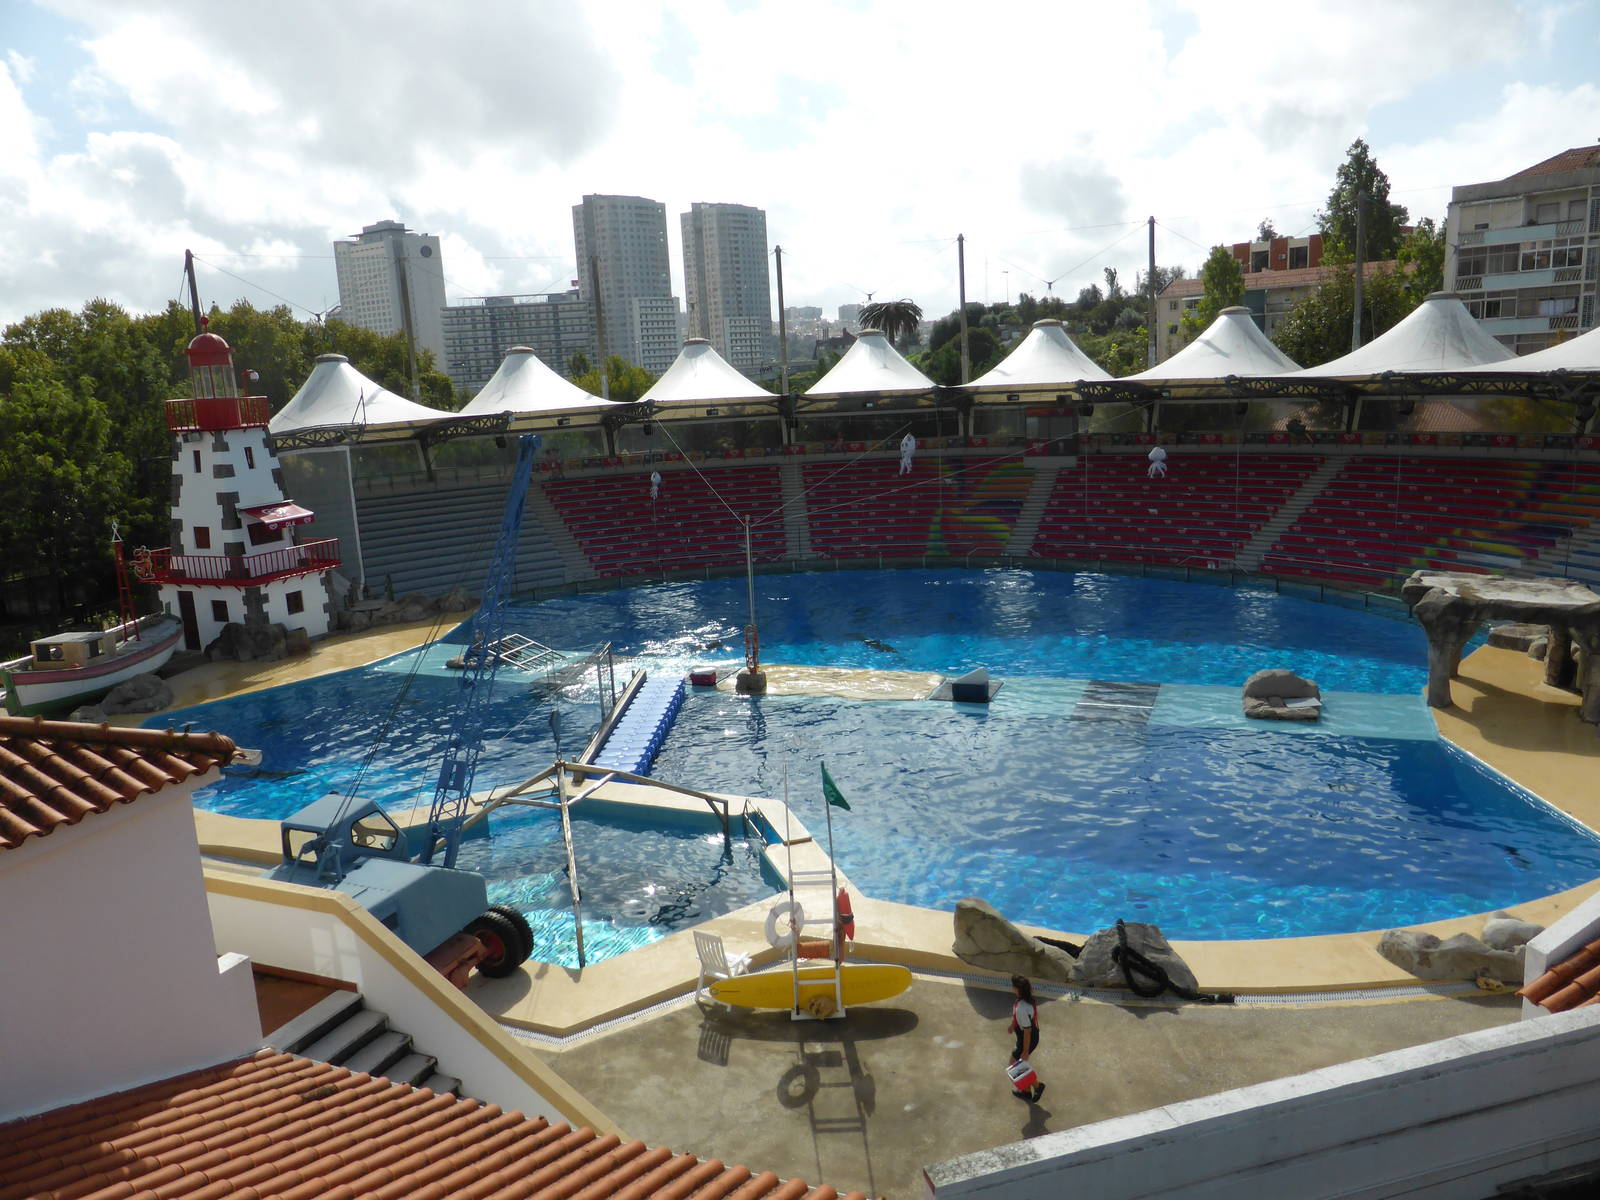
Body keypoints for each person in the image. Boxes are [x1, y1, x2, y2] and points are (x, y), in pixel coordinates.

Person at [1008, 973, 1045, 1102]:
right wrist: (1013, 1025)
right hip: (1028, 1036)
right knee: (1018, 1064)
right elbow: (1023, 1020)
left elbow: (1027, 1031)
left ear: (1017, 989)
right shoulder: (1025, 1001)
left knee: (1015, 1064)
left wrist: (1025, 1050)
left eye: (1013, 986)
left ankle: (1037, 1086)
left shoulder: (1022, 1009)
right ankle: (1027, 1091)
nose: (1011, 987)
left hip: (1027, 1038)